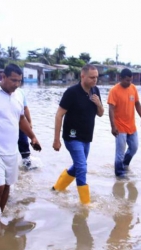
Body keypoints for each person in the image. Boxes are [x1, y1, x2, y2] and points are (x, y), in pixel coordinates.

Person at [0, 64, 42, 224]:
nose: (16, 84)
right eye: (13, 80)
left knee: (6, 187)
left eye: (19, 81)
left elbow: (21, 119)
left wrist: (32, 136)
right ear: (3, 77)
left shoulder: (18, 95)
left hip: (11, 151)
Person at [52, 64, 104, 204]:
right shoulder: (71, 92)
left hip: (87, 137)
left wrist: (99, 104)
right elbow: (59, 115)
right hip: (72, 136)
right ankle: (85, 204)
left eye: (96, 77)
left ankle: (57, 188)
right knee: (82, 167)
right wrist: (56, 139)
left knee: (78, 166)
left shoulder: (95, 91)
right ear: (82, 76)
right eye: (92, 77)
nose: (95, 80)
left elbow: (100, 114)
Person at [107, 68, 141, 178]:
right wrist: (113, 126)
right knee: (120, 152)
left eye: (130, 80)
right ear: (120, 78)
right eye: (127, 80)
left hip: (131, 126)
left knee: (134, 148)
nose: (129, 83)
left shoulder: (133, 88)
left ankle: (125, 164)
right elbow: (111, 109)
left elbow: (137, 104)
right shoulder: (114, 91)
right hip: (119, 127)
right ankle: (119, 174)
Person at [17, 88, 36, 171]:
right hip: (7, 126)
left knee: (24, 143)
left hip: (21, 123)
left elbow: (25, 108)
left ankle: (27, 165)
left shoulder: (20, 92)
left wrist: (29, 122)